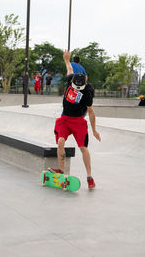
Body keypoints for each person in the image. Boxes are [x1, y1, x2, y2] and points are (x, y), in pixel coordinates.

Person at [49, 50, 101, 189]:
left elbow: (91, 112)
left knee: (83, 148)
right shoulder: (70, 78)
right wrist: (66, 59)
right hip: (64, 119)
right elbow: (69, 68)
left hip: (78, 121)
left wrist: (94, 130)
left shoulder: (88, 92)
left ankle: (89, 177)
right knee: (60, 141)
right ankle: (61, 170)